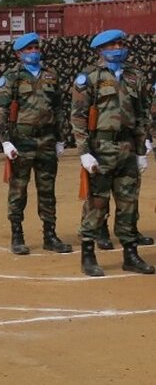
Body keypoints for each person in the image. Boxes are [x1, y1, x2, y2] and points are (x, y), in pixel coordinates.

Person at [70, 29, 153, 277]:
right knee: (97, 202)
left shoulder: (134, 75)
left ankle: (130, 254)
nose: (118, 48)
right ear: (101, 50)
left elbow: (142, 114)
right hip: (101, 148)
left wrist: (141, 150)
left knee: (128, 203)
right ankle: (88, 254)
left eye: (120, 43)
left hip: (127, 148)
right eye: (113, 45)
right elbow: (78, 117)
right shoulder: (89, 78)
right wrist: (84, 151)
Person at [0, 33, 71, 255]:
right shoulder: (11, 77)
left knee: (47, 189)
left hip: (47, 140)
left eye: (36, 47)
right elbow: (1, 111)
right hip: (22, 140)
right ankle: (17, 235)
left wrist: (60, 138)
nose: (34, 52)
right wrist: (5, 141)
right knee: (19, 189)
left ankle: (50, 235)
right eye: (28, 49)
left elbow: (57, 108)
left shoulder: (50, 75)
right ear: (19, 54)